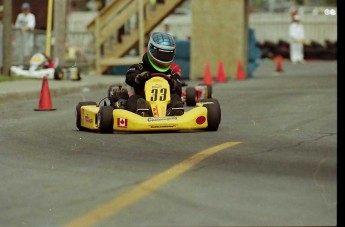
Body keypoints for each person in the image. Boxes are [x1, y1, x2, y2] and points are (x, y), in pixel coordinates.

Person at [125, 32, 183, 117]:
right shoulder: (139, 68)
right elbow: (129, 76)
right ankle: (143, 112)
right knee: (133, 100)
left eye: (167, 55)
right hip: (143, 100)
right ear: (151, 50)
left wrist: (172, 83)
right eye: (161, 54)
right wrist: (138, 78)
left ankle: (174, 112)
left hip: (165, 106)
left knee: (175, 98)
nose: (163, 58)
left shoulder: (171, 73)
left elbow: (178, 87)